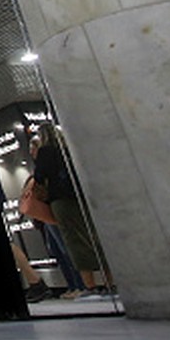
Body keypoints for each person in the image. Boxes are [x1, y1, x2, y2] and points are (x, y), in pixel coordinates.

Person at [33, 123, 113, 296]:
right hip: (81, 197)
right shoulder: (69, 149)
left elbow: (40, 176)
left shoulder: (45, 152)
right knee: (95, 237)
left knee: (73, 240)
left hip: (61, 200)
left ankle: (89, 286)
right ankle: (110, 282)